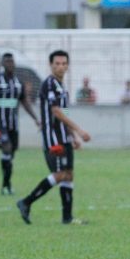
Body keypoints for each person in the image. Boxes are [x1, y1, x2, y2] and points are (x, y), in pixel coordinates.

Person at [15, 50, 91, 225]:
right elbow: (55, 111)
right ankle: (26, 202)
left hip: (64, 136)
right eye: (57, 63)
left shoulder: (61, 86)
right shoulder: (49, 84)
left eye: (64, 63)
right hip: (53, 138)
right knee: (60, 174)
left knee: (69, 174)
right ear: (51, 65)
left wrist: (72, 136)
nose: (61, 67)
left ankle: (67, 217)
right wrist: (79, 130)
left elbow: (64, 113)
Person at [0, 53, 41, 195]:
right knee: (7, 148)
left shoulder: (18, 82)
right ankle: (6, 185)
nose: (10, 64)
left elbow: (24, 102)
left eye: (12, 62)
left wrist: (36, 119)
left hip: (13, 124)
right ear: (2, 64)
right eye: (7, 62)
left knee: (11, 153)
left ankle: (6, 183)